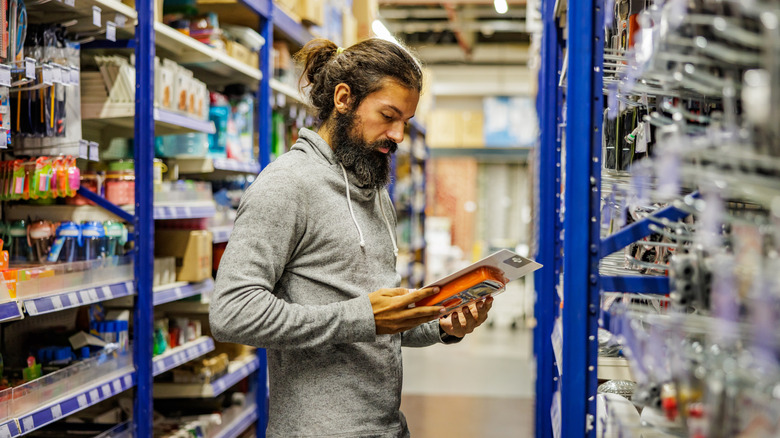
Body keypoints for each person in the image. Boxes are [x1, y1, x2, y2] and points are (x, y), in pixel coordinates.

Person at [210, 38, 493, 438]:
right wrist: (364, 316)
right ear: (344, 98)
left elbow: (378, 321)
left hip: (387, 427)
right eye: (388, 115)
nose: (398, 135)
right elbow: (231, 312)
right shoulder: (287, 185)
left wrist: (444, 322)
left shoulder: (373, 191)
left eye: (406, 123)